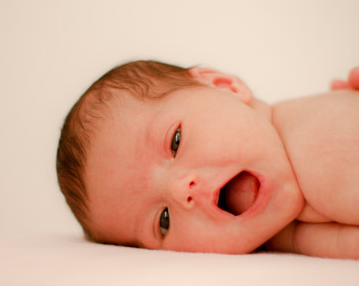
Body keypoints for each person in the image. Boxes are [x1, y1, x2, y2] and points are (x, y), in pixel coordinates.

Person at [56, 62, 359, 259]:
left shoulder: (315, 136)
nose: (181, 191)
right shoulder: (285, 233)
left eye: (175, 142)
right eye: (163, 221)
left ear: (224, 86)